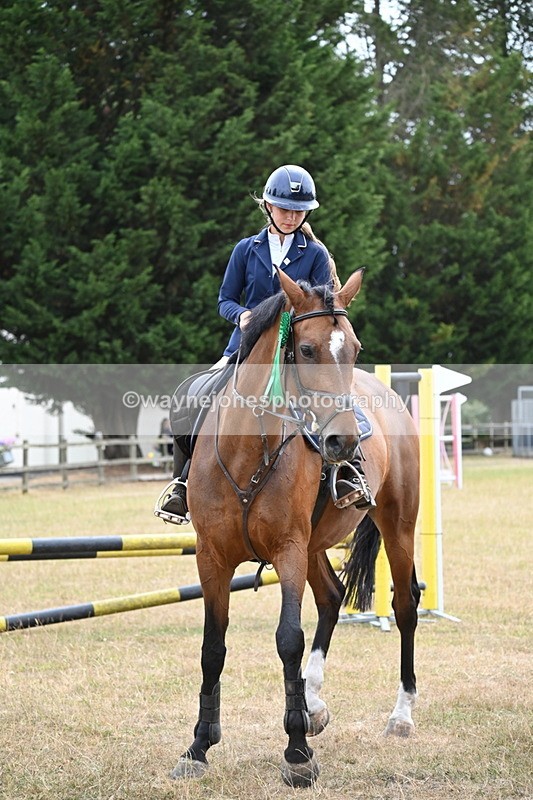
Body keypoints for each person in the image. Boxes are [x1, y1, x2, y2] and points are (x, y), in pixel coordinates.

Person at [155, 164, 375, 525]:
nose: (291, 217)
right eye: (284, 209)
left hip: (301, 355)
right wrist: (241, 315)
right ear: (268, 208)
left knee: (339, 399)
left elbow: (325, 304)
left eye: (298, 211)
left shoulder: (315, 254)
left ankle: (349, 470)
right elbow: (224, 299)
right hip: (247, 348)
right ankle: (181, 483)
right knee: (189, 397)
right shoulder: (246, 249)